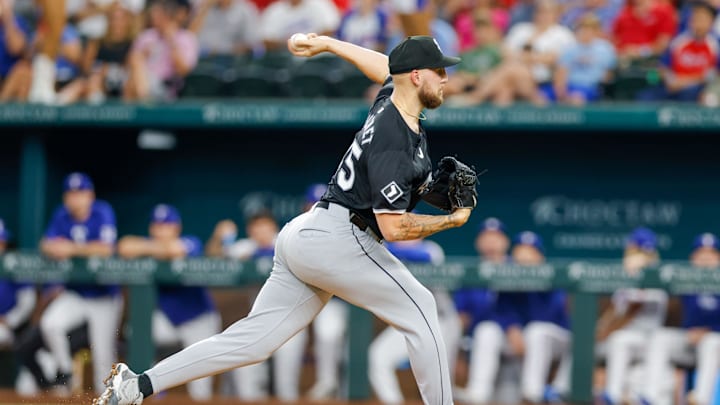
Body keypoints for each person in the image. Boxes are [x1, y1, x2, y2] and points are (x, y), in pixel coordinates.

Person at [94, 33, 474, 405]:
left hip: (308, 233)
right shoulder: (395, 136)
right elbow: (392, 227)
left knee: (253, 341)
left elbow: (384, 68)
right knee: (422, 306)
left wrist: (329, 43)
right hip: (342, 238)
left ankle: (137, 385)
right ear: (416, 76)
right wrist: (450, 221)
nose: (445, 78)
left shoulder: (392, 101)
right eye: (438, 70)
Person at [117, 204, 221, 401]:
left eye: (167, 226)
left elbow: (175, 250)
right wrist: (154, 248)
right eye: (158, 226)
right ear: (152, 228)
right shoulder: (149, 245)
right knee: (136, 329)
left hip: (198, 319)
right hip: (169, 320)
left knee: (200, 387)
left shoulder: (192, 242)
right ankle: (153, 384)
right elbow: (124, 246)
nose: (162, 231)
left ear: (176, 228)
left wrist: (149, 249)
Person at [207, 211, 308, 401]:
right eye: (256, 227)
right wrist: (218, 237)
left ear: (274, 227)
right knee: (248, 384)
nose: (261, 231)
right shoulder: (246, 246)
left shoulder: (287, 240)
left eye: (265, 226)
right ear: (250, 231)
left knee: (286, 388)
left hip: (291, 322)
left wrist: (254, 258)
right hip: (260, 323)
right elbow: (214, 257)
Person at [38, 172, 121, 394]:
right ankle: (65, 371)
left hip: (104, 295)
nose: (76, 198)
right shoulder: (61, 214)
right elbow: (45, 244)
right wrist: (53, 248)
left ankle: (109, 398)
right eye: (71, 193)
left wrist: (71, 249)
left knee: (103, 356)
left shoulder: (102, 211)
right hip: (76, 292)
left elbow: (106, 249)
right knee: (50, 324)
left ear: (90, 195)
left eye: (80, 193)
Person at [369, 237, 461, 405]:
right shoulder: (387, 251)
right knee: (377, 357)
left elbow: (424, 256)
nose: (407, 235)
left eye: (411, 230)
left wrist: (384, 248)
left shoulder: (432, 249)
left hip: (441, 322)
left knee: (440, 380)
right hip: (407, 321)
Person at [639, 233, 720, 405]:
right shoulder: (684, 280)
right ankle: (651, 397)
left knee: (712, 342)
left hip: (715, 342)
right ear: (693, 258)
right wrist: (643, 266)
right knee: (660, 337)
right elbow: (661, 278)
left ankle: (700, 400)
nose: (706, 258)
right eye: (701, 253)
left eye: (711, 254)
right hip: (689, 342)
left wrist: (709, 330)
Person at [597, 227, 668, 405]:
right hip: (626, 343)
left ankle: (625, 395)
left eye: (639, 251)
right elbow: (614, 311)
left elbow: (632, 308)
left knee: (621, 339)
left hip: (650, 341)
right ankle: (612, 395)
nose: (633, 255)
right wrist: (601, 328)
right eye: (633, 250)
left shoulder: (658, 277)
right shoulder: (625, 278)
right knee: (617, 341)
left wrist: (607, 330)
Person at [448, 217, 508, 405]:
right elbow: (461, 318)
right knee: (485, 332)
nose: (491, 242)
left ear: (505, 242)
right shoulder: (470, 273)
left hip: (514, 343)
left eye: (496, 237)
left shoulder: (518, 267)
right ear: (478, 243)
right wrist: (458, 353)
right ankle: (476, 395)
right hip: (479, 346)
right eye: (486, 237)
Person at [636, 1, 719, 103]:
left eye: (702, 18)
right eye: (695, 17)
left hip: (699, 88)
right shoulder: (679, 40)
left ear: (711, 21)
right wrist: (670, 80)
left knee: (692, 93)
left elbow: (714, 74)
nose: (697, 22)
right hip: (673, 85)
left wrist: (684, 81)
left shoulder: (715, 43)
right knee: (645, 96)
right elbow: (663, 67)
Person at [124, 0, 199, 101]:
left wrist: (171, 41)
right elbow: (128, 65)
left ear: (167, 16)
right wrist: (144, 54)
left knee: (133, 82)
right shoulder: (146, 36)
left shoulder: (186, 38)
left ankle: (142, 106)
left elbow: (183, 71)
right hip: (140, 81)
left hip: (167, 86)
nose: (153, 18)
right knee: (135, 62)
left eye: (158, 14)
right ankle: (145, 102)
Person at [550, 13, 617, 105]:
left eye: (591, 30)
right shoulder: (570, 48)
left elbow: (608, 75)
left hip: (591, 87)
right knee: (540, 97)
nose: (586, 32)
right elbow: (561, 72)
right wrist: (561, 92)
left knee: (576, 98)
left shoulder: (605, 48)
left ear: (597, 31)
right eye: (583, 29)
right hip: (569, 85)